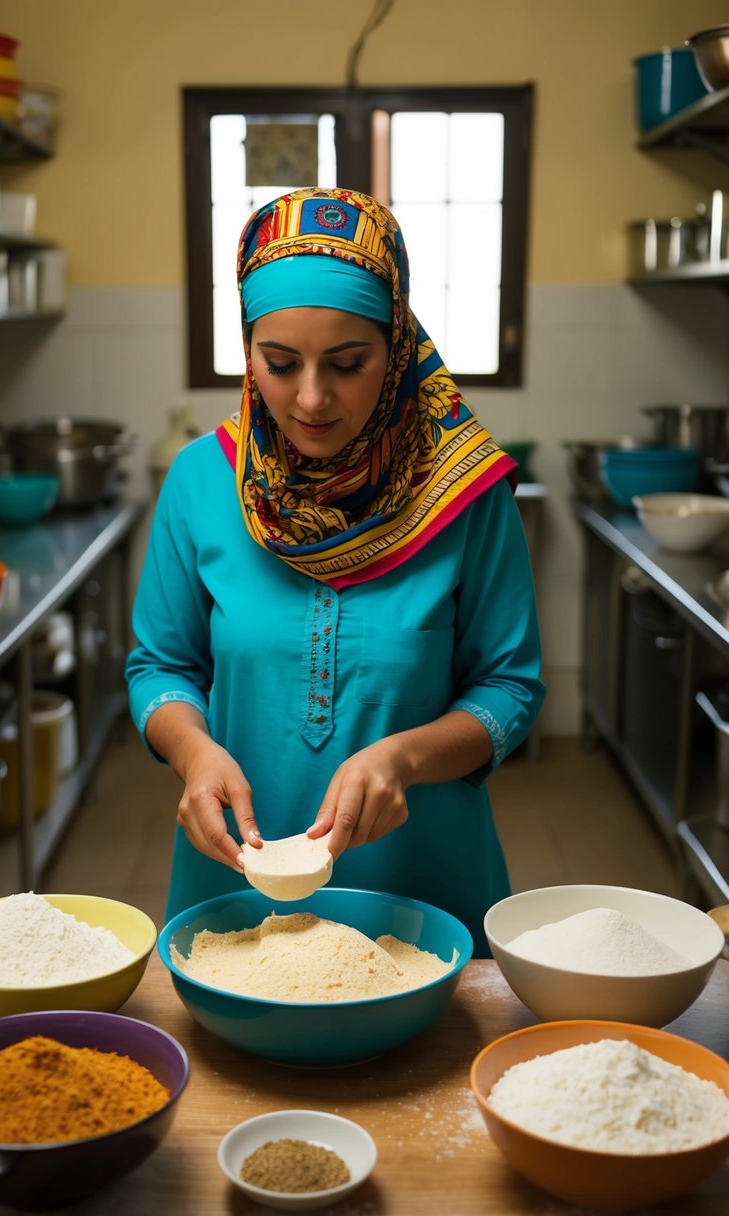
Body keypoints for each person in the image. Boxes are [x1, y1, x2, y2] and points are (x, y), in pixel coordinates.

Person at [126, 186, 545, 956]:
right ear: (247, 350)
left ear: (396, 350)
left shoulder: (464, 494)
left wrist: (405, 757)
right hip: (237, 881)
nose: (311, 399)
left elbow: (508, 688)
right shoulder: (199, 481)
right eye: (278, 363)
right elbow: (162, 665)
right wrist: (193, 752)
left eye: (348, 364)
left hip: (422, 888)